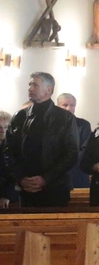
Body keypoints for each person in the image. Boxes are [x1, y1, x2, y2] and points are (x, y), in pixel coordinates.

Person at [7, 72, 79, 207]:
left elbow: (71, 153)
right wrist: (21, 178)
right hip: (26, 187)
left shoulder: (64, 118)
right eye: (29, 85)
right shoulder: (20, 117)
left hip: (56, 188)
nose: (30, 88)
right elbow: (9, 151)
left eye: (35, 85)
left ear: (49, 90)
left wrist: (46, 179)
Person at [57, 93, 92, 189]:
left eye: (72, 105)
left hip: (77, 173)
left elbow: (84, 149)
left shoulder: (84, 125)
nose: (68, 108)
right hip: (56, 175)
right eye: (65, 105)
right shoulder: (51, 125)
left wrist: (66, 164)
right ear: (58, 106)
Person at [0, 111, 17, 208]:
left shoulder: (14, 148)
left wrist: (6, 195)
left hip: (9, 198)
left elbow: (13, 176)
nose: (3, 130)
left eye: (6, 127)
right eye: (0, 127)